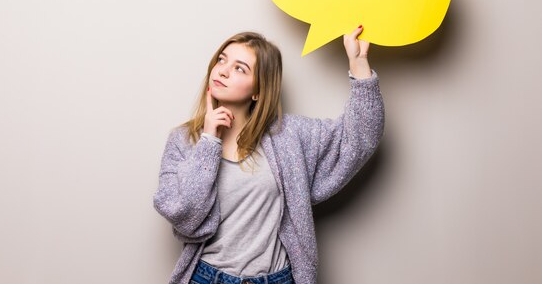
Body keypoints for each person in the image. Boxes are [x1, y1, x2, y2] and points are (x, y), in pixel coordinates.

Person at [153, 27, 385, 284]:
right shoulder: (184, 141)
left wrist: (359, 63)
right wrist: (209, 140)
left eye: (240, 68)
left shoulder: (288, 137)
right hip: (207, 278)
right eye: (222, 59)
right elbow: (186, 217)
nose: (223, 70)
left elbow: (358, 138)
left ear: (258, 91)